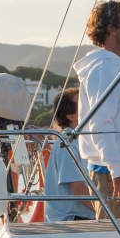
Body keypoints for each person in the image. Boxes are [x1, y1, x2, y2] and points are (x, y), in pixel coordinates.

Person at [73, 0, 120, 219]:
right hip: (112, 170)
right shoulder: (104, 67)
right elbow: (100, 124)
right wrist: (117, 173)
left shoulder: (118, 64)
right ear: (111, 29)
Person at [43, 88, 95, 222]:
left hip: (84, 216)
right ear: (72, 116)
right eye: (84, 103)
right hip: (70, 220)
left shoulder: (81, 140)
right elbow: (78, 189)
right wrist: (115, 214)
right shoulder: (67, 143)